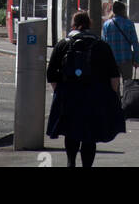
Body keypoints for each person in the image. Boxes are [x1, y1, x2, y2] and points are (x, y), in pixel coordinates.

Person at [46, 10, 125, 167]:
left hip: (69, 95)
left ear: (73, 24)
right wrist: (112, 95)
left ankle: (71, 162)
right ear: (90, 24)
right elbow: (114, 76)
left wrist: (59, 91)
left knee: (71, 131)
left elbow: (51, 73)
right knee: (90, 135)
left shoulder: (63, 43)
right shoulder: (101, 45)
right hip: (95, 96)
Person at [101, 0, 139, 81]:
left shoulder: (106, 25)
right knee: (128, 84)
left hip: (112, 61)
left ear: (113, 11)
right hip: (126, 59)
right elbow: (135, 44)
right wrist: (137, 59)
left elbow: (104, 44)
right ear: (123, 11)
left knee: (114, 85)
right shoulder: (129, 24)